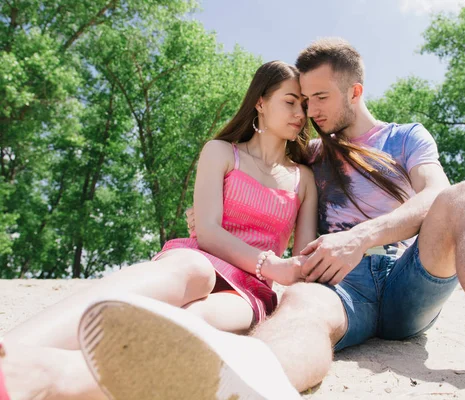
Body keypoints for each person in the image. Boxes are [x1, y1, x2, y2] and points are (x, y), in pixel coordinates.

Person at [69, 38, 465, 400]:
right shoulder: (308, 163)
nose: (310, 110)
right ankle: (254, 380)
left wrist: (362, 237)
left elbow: (434, 196)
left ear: (354, 91)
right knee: (301, 305)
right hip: (341, 283)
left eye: (320, 97)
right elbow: (270, 197)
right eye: (302, 99)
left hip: (413, 273)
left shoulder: (406, 137)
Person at [0, 60, 316, 400]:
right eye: (290, 101)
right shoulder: (221, 152)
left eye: (305, 105)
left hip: (250, 291)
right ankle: (12, 356)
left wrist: (286, 271)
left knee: (193, 320)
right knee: (193, 271)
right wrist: (271, 264)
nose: (299, 112)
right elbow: (207, 232)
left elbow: (303, 260)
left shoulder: (304, 179)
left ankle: (48, 377)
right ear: (260, 102)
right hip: (199, 258)